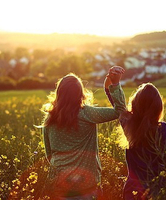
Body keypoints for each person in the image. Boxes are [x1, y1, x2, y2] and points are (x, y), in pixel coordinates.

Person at [40, 66, 126, 200]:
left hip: (59, 187)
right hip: (87, 188)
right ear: (81, 94)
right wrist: (114, 85)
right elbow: (120, 111)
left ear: (59, 93)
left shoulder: (49, 119)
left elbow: (49, 155)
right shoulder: (87, 113)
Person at [105, 82, 166, 199]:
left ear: (134, 106)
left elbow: (119, 106)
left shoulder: (129, 126)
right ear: (158, 107)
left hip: (132, 191)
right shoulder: (163, 130)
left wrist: (112, 85)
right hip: (157, 191)